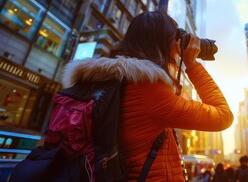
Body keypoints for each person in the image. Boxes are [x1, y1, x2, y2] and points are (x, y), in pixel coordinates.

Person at [62, 11, 234, 181]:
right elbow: (223, 116)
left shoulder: (119, 81)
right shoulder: (149, 90)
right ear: (164, 43)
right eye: (175, 39)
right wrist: (192, 64)